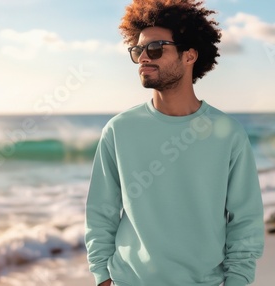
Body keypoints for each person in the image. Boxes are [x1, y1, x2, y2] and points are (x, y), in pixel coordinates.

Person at [85, 1, 264, 285]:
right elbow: (100, 213)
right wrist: (102, 277)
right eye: (138, 50)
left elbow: (246, 221)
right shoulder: (118, 130)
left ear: (189, 55)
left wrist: (237, 281)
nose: (143, 57)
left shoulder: (229, 133)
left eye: (155, 48)